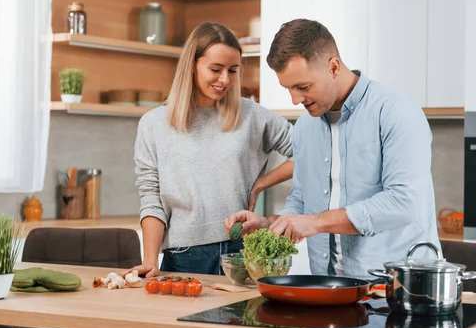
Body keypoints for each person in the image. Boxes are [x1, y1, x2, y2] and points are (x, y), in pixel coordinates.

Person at [225, 18, 440, 278]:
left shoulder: (396, 112)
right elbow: (301, 200)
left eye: (303, 87)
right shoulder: (306, 127)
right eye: (288, 89)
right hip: (330, 286)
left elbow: (405, 203)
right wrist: (272, 223)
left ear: (334, 67)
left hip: (397, 288)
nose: (295, 100)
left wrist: (314, 223)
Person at [124, 22, 294, 278]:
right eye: (216, 69)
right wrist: (150, 260)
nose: (225, 79)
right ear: (192, 64)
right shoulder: (154, 124)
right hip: (183, 258)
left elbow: (312, 155)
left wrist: (261, 183)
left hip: (242, 254)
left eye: (233, 70)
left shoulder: (251, 115)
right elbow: (151, 198)